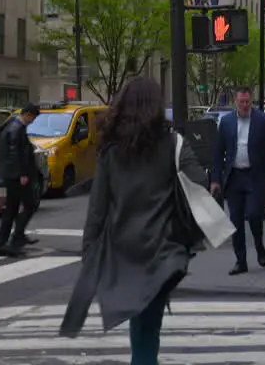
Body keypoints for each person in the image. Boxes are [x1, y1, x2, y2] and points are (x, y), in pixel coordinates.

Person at [60, 76, 208, 365]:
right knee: (147, 329)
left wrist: (90, 253)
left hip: (124, 251)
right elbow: (199, 182)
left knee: (140, 327)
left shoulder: (111, 151)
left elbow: (97, 209)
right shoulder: (171, 143)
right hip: (164, 251)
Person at [210, 86, 265, 275]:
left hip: (255, 176)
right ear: (235, 102)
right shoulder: (225, 122)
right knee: (236, 221)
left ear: (251, 101)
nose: (244, 105)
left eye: (247, 102)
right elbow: (218, 153)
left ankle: (259, 244)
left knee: (255, 214)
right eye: (241, 102)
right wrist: (215, 179)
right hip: (234, 177)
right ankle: (241, 261)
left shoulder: (263, 120)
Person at [0, 104, 41, 257]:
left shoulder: (12, 126)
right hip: (16, 176)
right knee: (27, 205)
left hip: (11, 174)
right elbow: (16, 153)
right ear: (26, 114)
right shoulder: (16, 128)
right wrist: (22, 173)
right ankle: (13, 239)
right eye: (32, 117)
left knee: (13, 208)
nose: (32, 121)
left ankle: (7, 240)